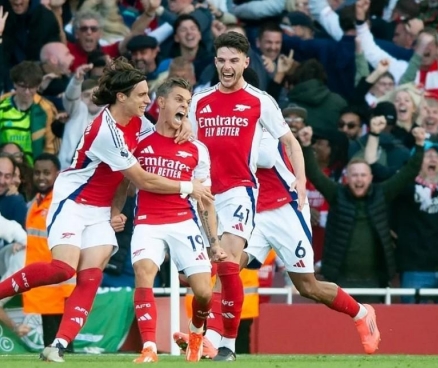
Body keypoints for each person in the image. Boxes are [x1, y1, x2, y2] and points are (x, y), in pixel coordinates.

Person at [0, 57, 213, 363]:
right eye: (141, 94)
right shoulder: (106, 130)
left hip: (99, 210)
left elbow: (160, 134)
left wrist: (184, 121)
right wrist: (186, 187)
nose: (147, 99)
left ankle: (57, 346)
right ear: (121, 97)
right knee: (63, 269)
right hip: (73, 202)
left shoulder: (138, 123)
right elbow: (139, 177)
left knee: (90, 277)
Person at [173, 131, 382, 357]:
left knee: (307, 286)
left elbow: (264, 157)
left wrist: (221, 143)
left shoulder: (260, 116)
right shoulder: (216, 115)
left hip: (285, 208)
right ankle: (212, 341)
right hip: (253, 210)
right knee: (227, 268)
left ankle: (361, 313)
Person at [188, 31, 306, 361]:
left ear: (246, 62)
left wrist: (299, 179)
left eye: (234, 61)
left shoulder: (260, 100)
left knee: (226, 265)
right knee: (202, 270)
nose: (227, 67)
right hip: (205, 194)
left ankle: (227, 343)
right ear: (215, 62)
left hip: (240, 191)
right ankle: (199, 333)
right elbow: (188, 146)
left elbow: (290, 142)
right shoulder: (200, 101)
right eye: (222, 61)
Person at [111, 77, 227, 363]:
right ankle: (149, 347)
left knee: (202, 291)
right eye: (178, 99)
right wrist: (116, 210)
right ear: (160, 102)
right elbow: (125, 182)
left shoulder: (197, 149)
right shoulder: (139, 141)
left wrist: (213, 242)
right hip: (148, 222)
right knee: (143, 273)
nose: (184, 106)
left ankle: (197, 334)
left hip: (183, 222)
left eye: (187, 102)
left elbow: (205, 199)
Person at [22, 154, 75, 350]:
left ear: (57, 174)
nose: (41, 177)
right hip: (44, 285)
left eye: (46, 173)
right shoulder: (35, 203)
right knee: (52, 345)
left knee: (60, 346)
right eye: (37, 173)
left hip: (59, 286)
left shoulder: (60, 203)